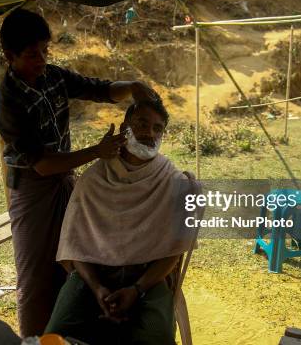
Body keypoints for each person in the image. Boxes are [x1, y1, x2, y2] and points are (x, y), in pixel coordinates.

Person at [0, 8, 157, 337]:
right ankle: (36, 338)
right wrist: (96, 152)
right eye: (31, 54)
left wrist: (133, 87)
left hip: (63, 181)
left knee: (72, 259)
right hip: (33, 188)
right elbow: (41, 163)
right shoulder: (9, 103)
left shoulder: (53, 77)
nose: (41, 59)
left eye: (44, 50)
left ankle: (66, 333)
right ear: (10, 56)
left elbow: (98, 88)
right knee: (36, 275)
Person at [45, 99, 201, 345]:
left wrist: (137, 289)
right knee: (56, 335)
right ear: (123, 129)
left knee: (156, 337)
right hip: (92, 276)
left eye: (157, 128)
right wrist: (97, 288)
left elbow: (173, 252)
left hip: (148, 279)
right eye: (141, 123)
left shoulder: (172, 182)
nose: (149, 133)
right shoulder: (93, 179)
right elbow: (76, 246)